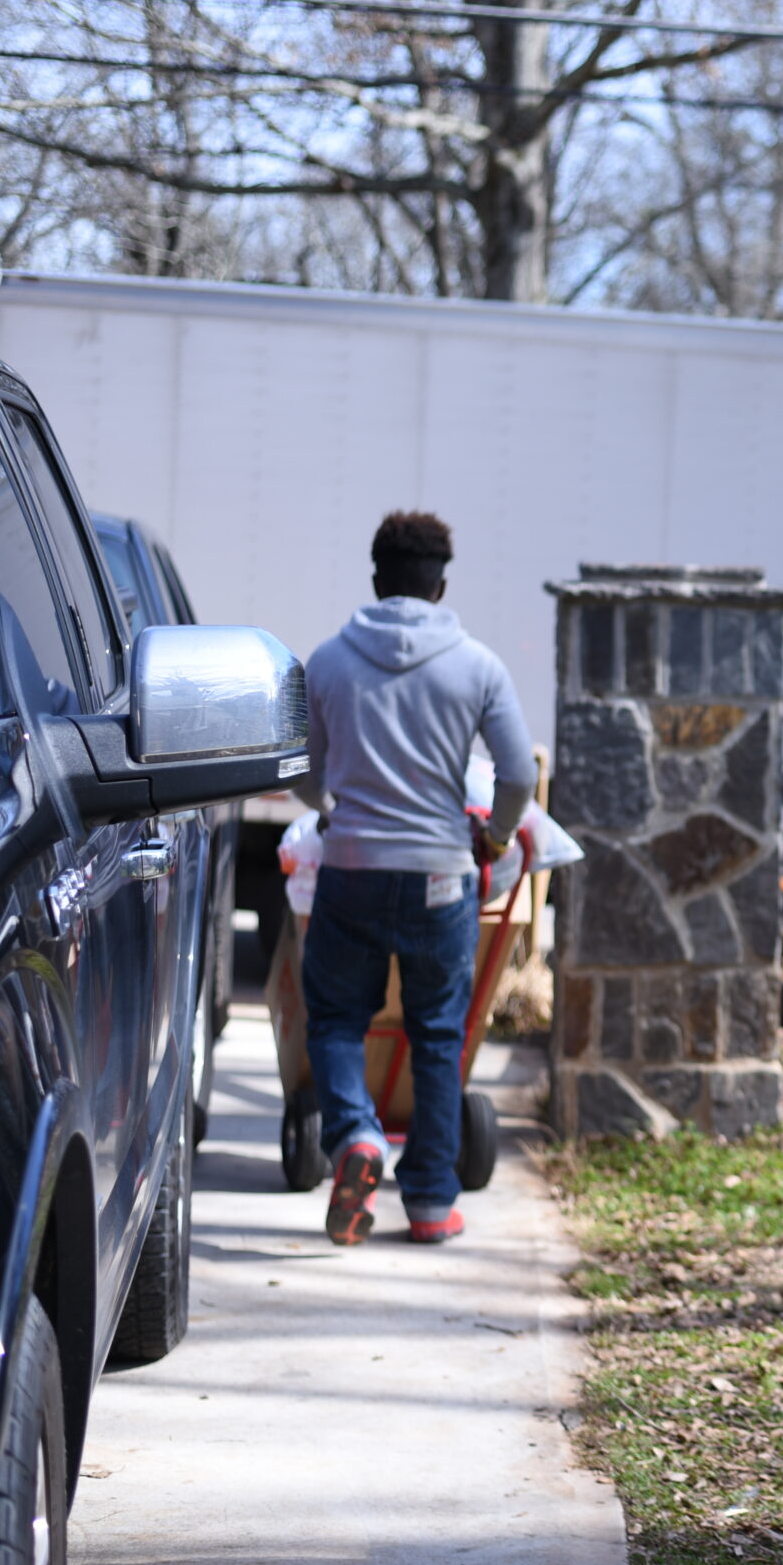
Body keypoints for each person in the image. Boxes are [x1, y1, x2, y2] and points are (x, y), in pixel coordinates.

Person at [298, 511, 534, 1246]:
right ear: (441, 583)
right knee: (437, 1033)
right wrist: (492, 835)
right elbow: (519, 774)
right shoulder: (478, 665)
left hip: (354, 870)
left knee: (337, 1018)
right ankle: (431, 1201)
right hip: (441, 876)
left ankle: (356, 1139)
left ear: (376, 578)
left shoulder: (330, 660)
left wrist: (333, 808)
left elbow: (303, 772)